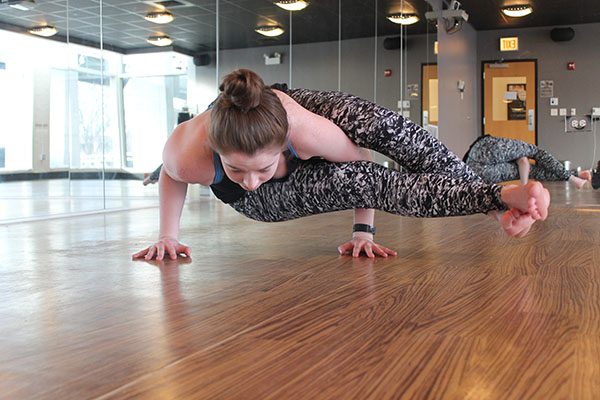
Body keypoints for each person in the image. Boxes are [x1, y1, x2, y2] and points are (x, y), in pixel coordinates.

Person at [133, 69, 550, 261]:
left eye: (261, 168)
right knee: (360, 181)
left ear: (285, 145)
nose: (251, 182)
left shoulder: (305, 130)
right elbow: (170, 176)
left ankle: (497, 199)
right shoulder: (187, 153)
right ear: (215, 150)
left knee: (383, 128)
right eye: (236, 169)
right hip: (280, 197)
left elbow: (363, 169)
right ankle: (495, 198)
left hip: (298, 113)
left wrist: (362, 230)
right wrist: (167, 236)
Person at [464, 134, 591, 188]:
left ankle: (576, 176)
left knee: (534, 172)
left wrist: (524, 187)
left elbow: (524, 162)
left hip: (477, 173)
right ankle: (573, 178)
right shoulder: (514, 153)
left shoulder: (517, 157)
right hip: (482, 150)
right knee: (536, 152)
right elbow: (523, 161)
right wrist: (523, 186)